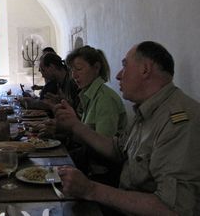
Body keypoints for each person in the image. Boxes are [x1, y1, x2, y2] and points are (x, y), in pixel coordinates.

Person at [52, 41, 200, 215]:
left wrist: (91, 189)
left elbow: (172, 208)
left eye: (125, 66)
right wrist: (75, 125)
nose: (119, 75)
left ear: (145, 69)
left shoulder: (178, 120)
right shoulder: (147, 110)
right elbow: (119, 149)